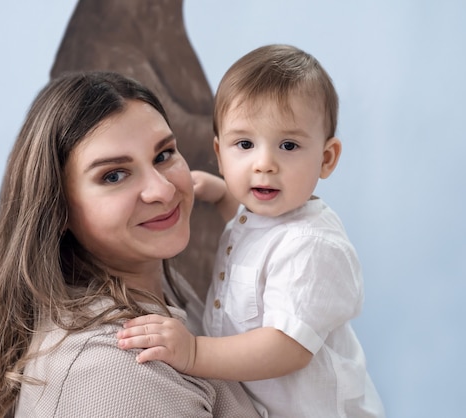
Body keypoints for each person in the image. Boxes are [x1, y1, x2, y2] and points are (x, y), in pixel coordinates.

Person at [0, 71, 260, 418]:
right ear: (58, 208)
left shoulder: (163, 294)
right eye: (113, 175)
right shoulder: (118, 370)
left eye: (163, 155)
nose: (162, 190)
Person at [117, 44, 386, 417]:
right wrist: (223, 193)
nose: (264, 164)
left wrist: (193, 352)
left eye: (288, 145)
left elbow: (286, 347)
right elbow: (253, 232)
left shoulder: (312, 247)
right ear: (220, 152)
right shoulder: (263, 214)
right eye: (244, 144)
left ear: (326, 159)